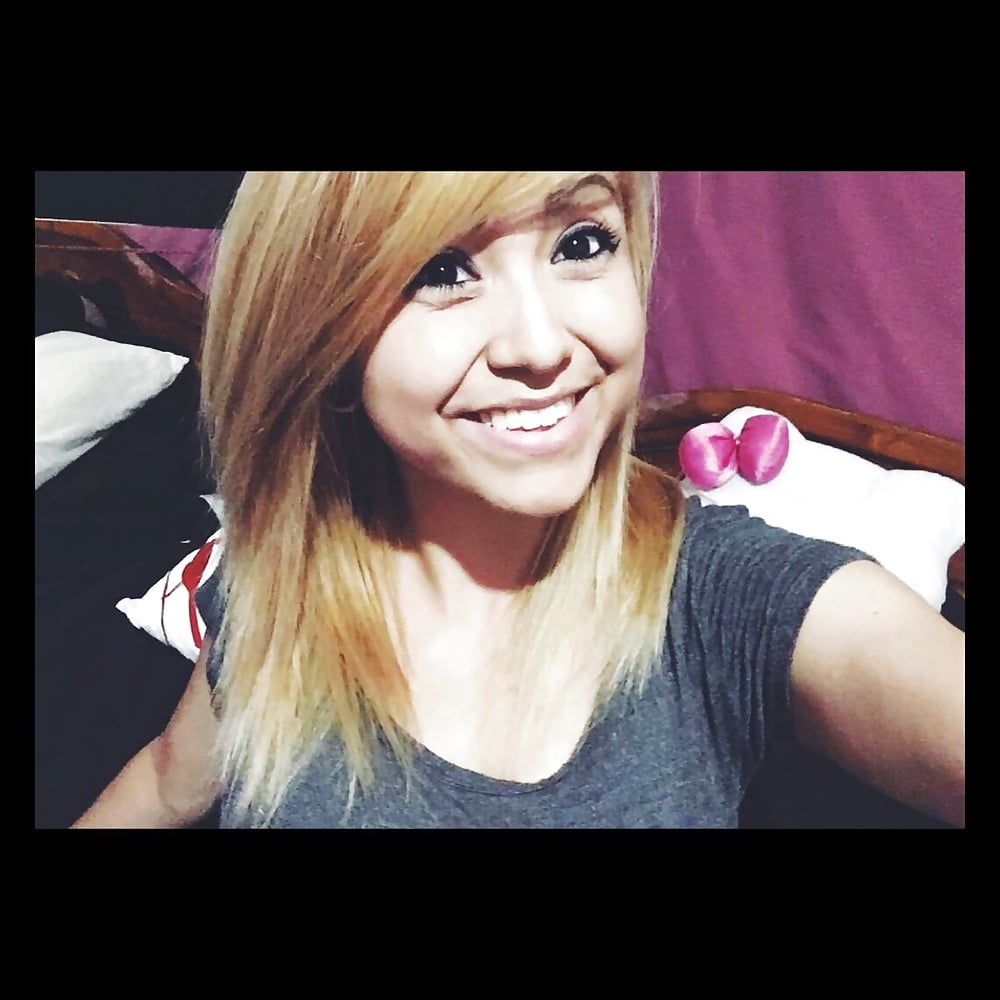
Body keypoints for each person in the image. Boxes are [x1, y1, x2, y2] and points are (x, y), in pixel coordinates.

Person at [73, 172, 965, 829]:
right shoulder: (277, 578)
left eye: (581, 244)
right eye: (440, 268)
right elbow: (170, 779)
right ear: (319, 326)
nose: (542, 347)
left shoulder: (725, 599)